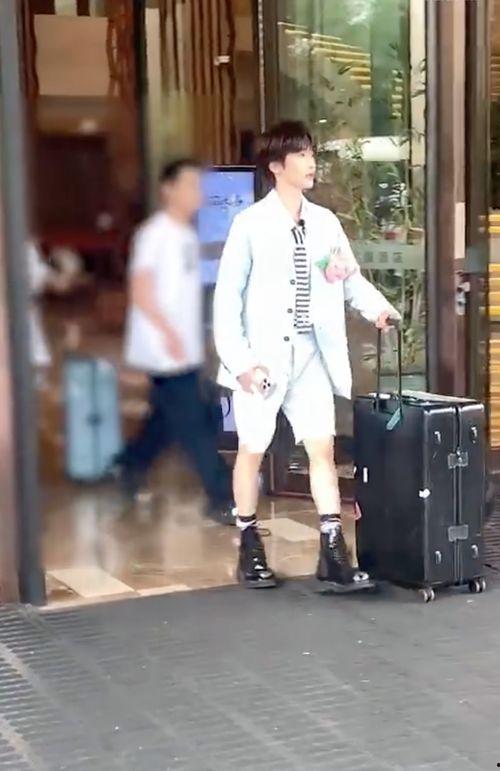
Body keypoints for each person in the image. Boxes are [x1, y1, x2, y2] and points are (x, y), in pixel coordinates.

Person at [213, 121, 400, 591]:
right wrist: (241, 363)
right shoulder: (250, 225)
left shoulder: (323, 223)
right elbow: (227, 300)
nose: (311, 162)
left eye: (311, 153)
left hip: (310, 354)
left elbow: (348, 277)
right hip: (263, 359)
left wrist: (378, 309)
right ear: (277, 166)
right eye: (301, 155)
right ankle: (249, 545)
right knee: (252, 449)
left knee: (321, 447)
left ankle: (333, 551)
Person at [117, 158, 234, 524]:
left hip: (182, 348)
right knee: (194, 423)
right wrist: (168, 334)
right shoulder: (153, 234)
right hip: (163, 349)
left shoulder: (186, 235)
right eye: (188, 185)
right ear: (167, 190)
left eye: (198, 186)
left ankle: (130, 463)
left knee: (166, 419)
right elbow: (141, 290)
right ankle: (221, 496)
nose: (196, 193)